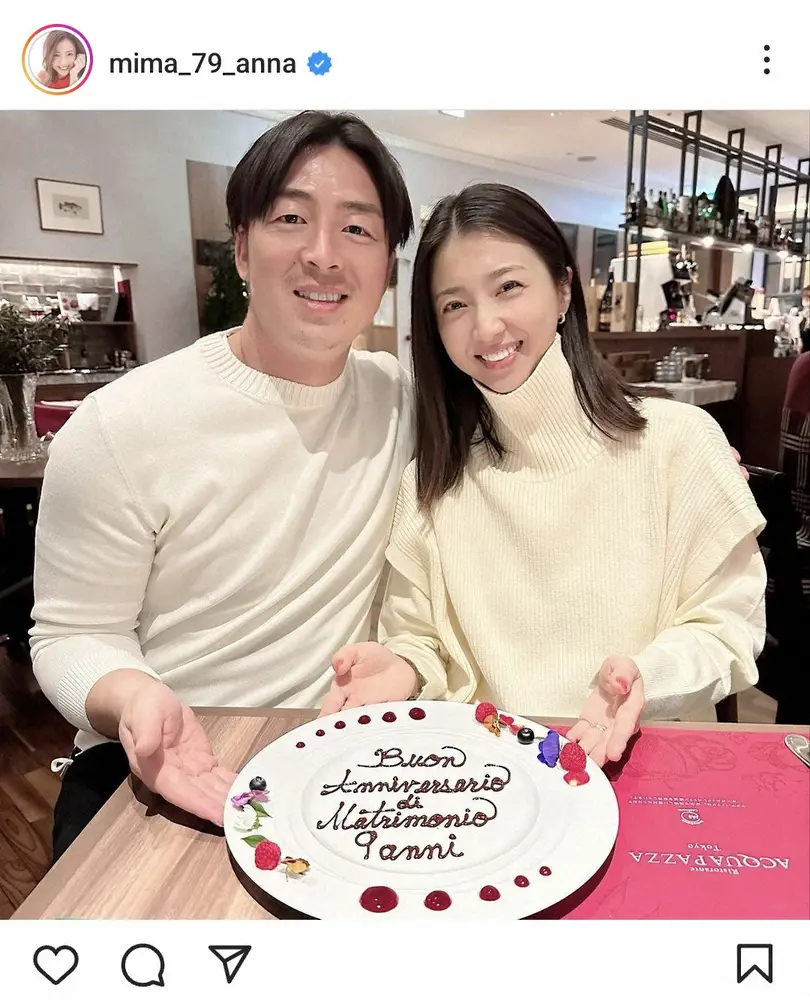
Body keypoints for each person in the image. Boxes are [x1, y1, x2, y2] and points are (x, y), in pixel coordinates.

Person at [30, 111, 415, 857]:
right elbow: (71, 633)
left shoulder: (402, 399)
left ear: (388, 266)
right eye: (291, 219)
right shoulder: (122, 425)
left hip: (343, 760)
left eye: (357, 229)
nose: (323, 254)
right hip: (157, 760)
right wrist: (133, 696)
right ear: (240, 247)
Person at [321, 183, 767, 766]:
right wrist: (402, 667)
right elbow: (421, 638)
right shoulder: (433, 481)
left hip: (639, 763)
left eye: (508, 287)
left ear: (562, 289)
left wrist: (646, 677)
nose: (486, 327)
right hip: (487, 779)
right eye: (454, 305)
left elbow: (726, 626)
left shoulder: (677, 443)